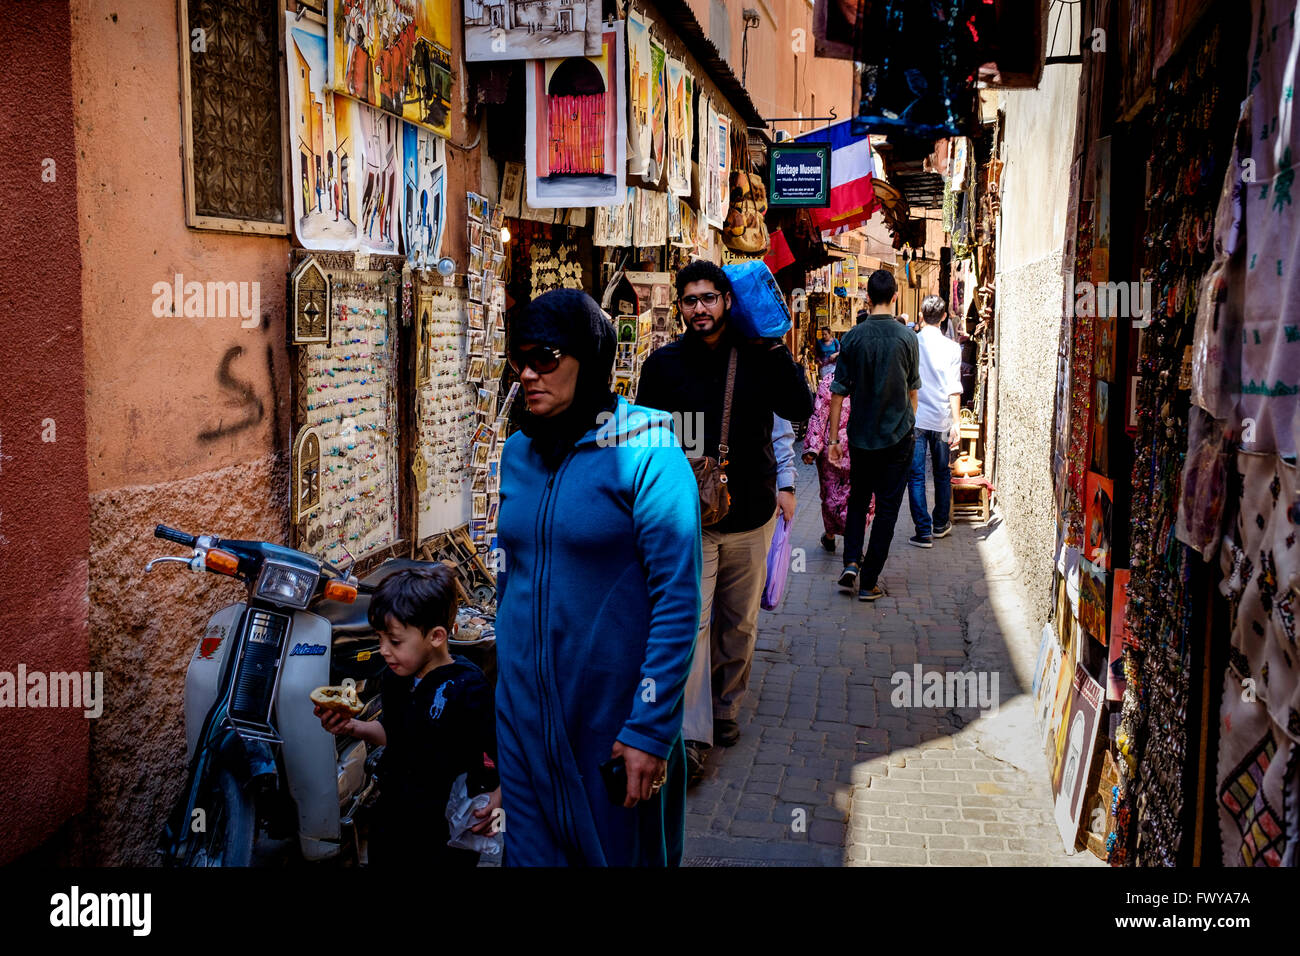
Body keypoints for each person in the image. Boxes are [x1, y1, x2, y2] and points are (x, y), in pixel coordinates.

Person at [494, 289, 701, 866]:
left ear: (589, 358)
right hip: (525, 719)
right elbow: (510, 570)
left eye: (545, 358)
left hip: (612, 723)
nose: (529, 373)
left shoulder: (648, 451)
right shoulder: (518, 453)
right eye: (519, 360)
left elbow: (678, 600)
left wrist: (650, 726)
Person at [637, 260, 812, 785]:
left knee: (739, 624)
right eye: (689, 300)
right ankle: (692, 735)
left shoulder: (758, 358)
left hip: (753, 512)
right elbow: (648, 437)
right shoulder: (663, 365)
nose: (699, 309)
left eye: (708, 298)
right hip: (692, 519)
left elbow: (800, 406)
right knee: (691, 622)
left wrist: (777, 344)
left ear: (727, 301)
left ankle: (726, 708)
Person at [315, 564, 499, 867]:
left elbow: (496, 751)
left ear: (437, 636)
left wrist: (498, 796)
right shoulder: (395, 677)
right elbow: (397, 733)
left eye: (395, 641)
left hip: (443, 832)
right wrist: (353, 727)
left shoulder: (469, 687)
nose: (384, 651)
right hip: (393, 818)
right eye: (380, 639)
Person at [827, 269, 920, 601]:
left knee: (857, 500)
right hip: (897, 438)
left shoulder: (852, 337)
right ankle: (868, 582)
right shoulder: (908, 338)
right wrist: (909, 425)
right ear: (894, 297)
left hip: (861, 437)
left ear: (868, 297)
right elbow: (913, 391)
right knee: (887, 510)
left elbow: (838, 392)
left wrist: (833, 441)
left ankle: (851, 559)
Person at [908, 295, 963, 547]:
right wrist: (957, 422)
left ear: (921, 315)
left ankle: (923, 531)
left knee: (916, 475)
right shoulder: (953, 348)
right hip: (942, 420)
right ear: (944, 317)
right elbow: (954, 388)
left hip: (916, 419)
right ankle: (940, 523)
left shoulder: (911, 343)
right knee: (942, 472)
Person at [802, 372, 872, 552]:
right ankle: (849, 541)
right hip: (856, 448)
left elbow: (819, 413)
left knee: (835, 498)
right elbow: (820, 412)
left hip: (840, 448)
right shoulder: (872, 378)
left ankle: (841, 539)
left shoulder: (831, 379)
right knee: (851, 498)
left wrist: (813, 447)